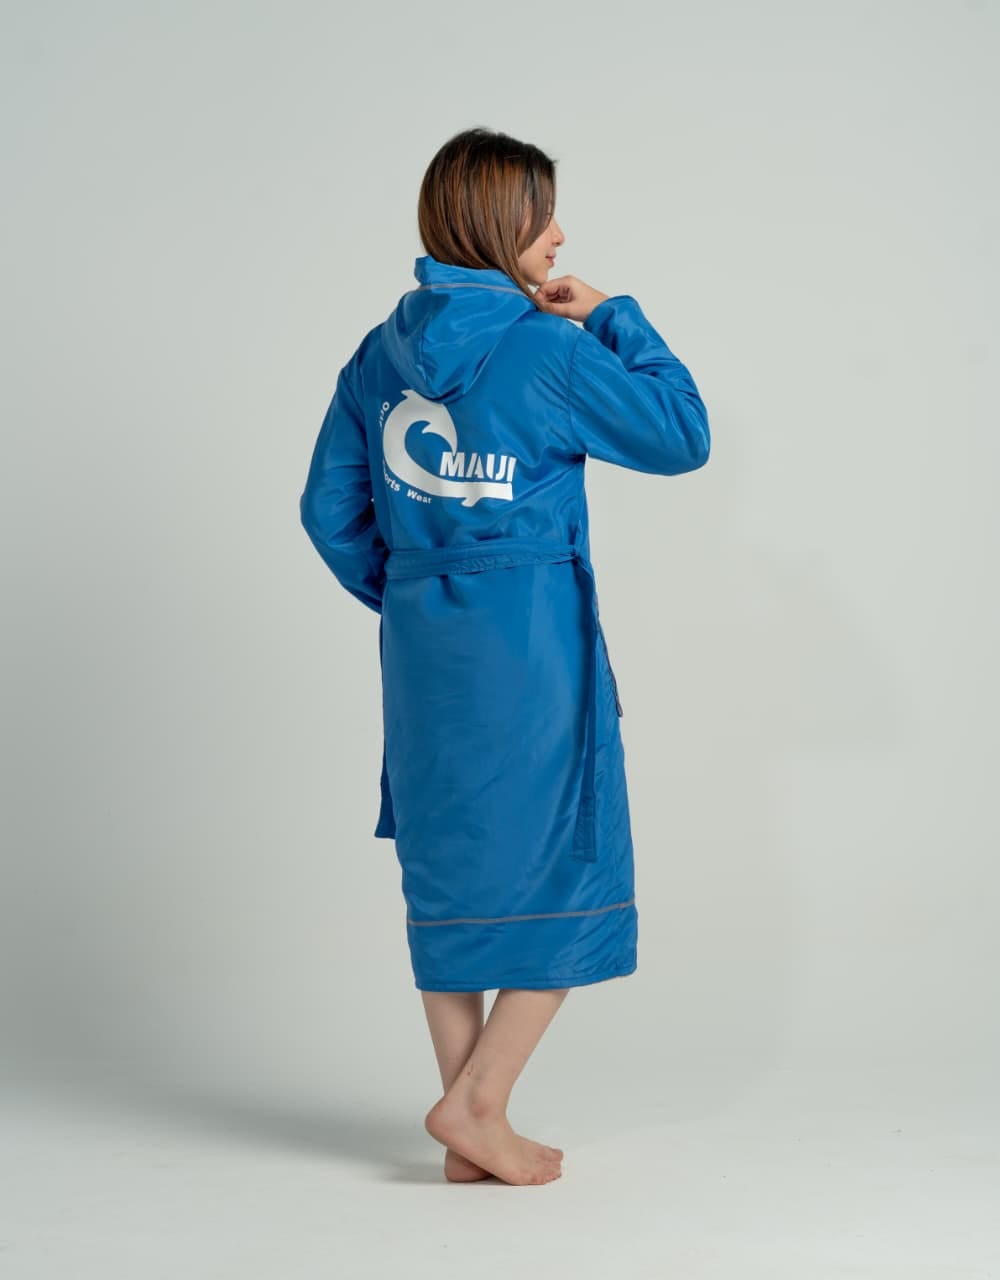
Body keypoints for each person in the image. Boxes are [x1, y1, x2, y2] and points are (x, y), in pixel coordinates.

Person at [299, 126, 710, 1186]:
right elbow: (680, 435)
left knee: (447, 864)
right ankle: (477, 1105)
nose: (559, 234)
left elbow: (328, 511)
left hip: (423, 647)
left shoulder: (378, 353)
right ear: (495, 224)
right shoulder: (550, 349)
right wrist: (613, 315)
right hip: (530, 640)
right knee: (568, 852)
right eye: (541, 215)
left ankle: (469, 1126)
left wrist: (415, 593)